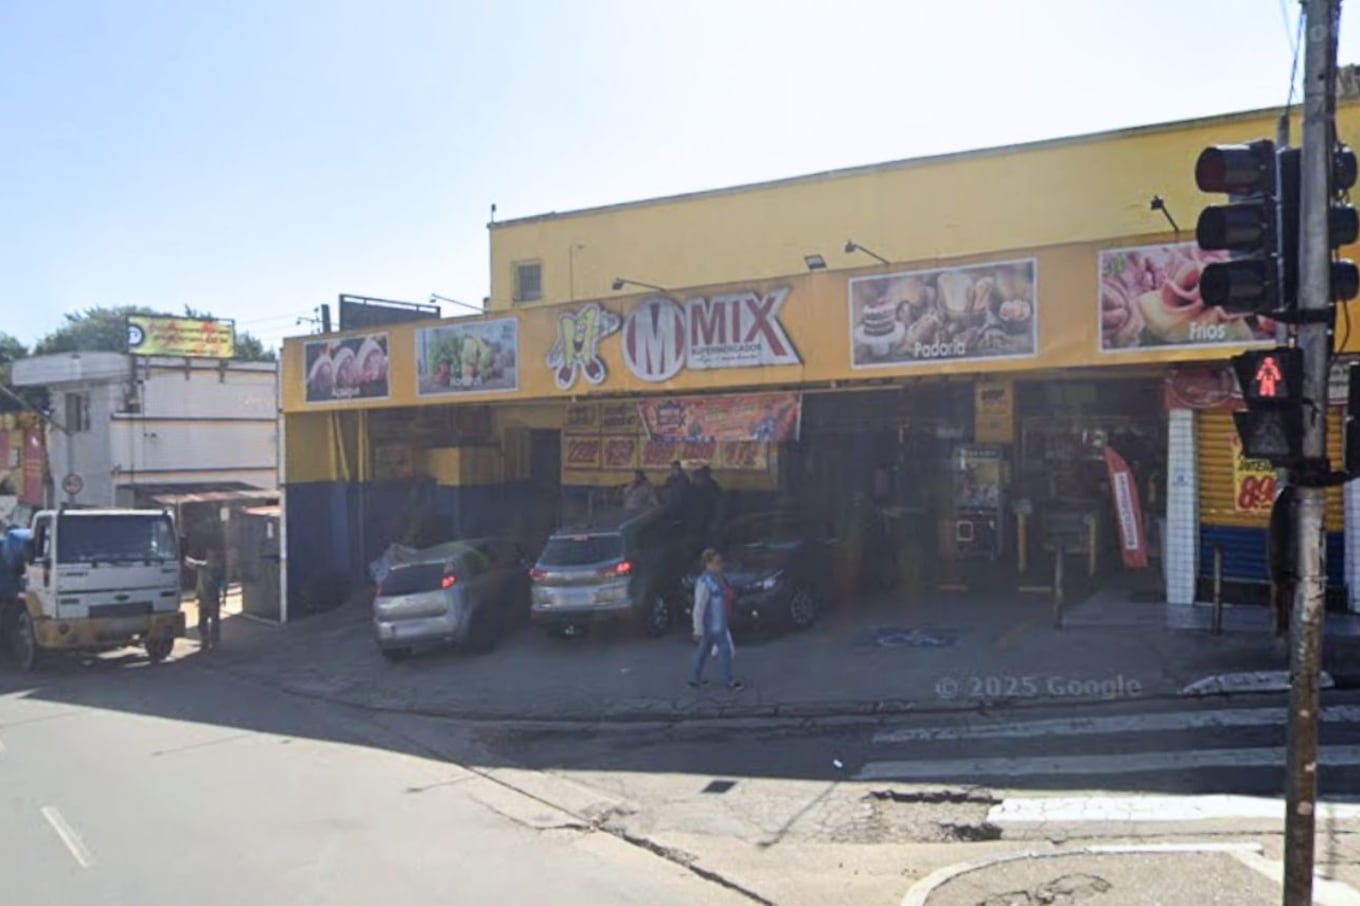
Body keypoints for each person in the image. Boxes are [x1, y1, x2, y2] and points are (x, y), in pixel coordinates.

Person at [689, 548, 742, 690]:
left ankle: (695, 678)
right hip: (712, 625)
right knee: (723, 652)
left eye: (720, 562)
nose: (720, 565)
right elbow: (699, 607)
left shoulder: (718, 579)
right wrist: (697, 629)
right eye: (717, 563)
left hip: (718, 625)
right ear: (708, 564)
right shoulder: (705, 582)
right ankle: (728, 680)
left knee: (704, 652)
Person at [185, 547, 227, 650]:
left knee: (213, 622)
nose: (209, 558)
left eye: (211, 556)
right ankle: (206, 640)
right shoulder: (203, 566)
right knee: (203, 622)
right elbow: (191, 563)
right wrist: (184, 557)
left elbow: (223, 584)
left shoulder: (216, 570)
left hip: (212, 599)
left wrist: (224, 596)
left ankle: (213, 641)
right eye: (208, 556)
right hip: (204, 599)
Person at [690, 465, 725, 543]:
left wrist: (716, 523)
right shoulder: (693, 488)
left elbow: (719, 507)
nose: (696, 479)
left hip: (707, 524)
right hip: (697, 525)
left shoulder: (713, 489)